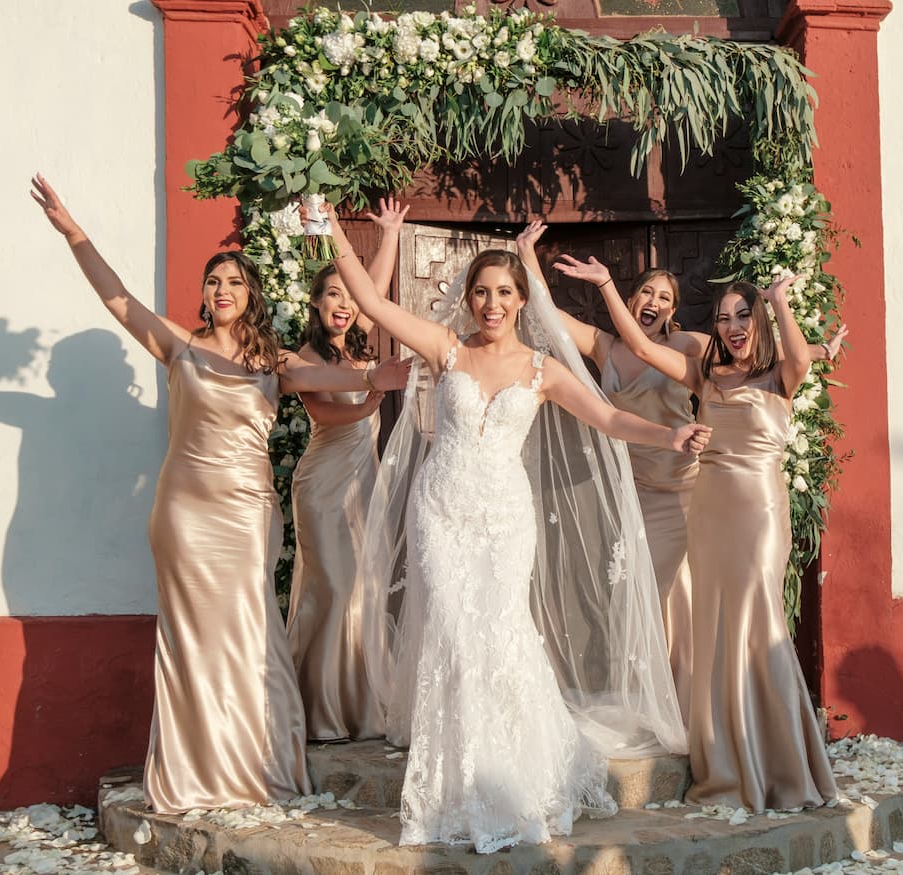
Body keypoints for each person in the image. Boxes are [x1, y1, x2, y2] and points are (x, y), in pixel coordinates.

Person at [324, 204, 709, 852]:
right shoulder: (446, 349)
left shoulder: (542, 369)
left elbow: (610, 420)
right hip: (441, 509)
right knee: (451, 632)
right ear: (469, 299)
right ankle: (455, 787)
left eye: (504, 291)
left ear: (522, 299)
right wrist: (325, 218)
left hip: (504, 517)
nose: (492, 302)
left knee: (499, 636)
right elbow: (368, 296)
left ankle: (513, 781)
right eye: (482, 291)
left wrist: (669, 433)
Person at [29, 175, 409, 813]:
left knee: (250, 632)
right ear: (205, 296)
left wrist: (378, 374)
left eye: (234, 281)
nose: (222, 289)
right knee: (192, 639)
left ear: (251, 294)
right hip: (184, 513)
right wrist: (74, 233)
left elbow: (336, 372)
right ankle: (194, 772)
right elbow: (119, 300)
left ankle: (256, 764)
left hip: (249, 514)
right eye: (214, 282)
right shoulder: (179, 348)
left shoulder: (275, 363)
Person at [518, 222, 845, 716]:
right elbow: (548, 317)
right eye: (646, 292)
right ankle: (654, 696)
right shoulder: (605, 347)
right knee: (639, 592)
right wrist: (525, 258)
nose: (655, 302)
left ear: (674, 311)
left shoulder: (691, 346)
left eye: (666, 298)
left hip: (686, 486)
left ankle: (690, 695)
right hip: (634, 489)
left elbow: (759, 358)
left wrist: (818, 351)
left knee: (679, 594)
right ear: (631, 300)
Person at [556, 252, 838, 812]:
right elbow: (638, 347)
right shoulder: (705, 373)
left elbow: (802, 354)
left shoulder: (782, 373)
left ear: (758, 323)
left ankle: (777, 760)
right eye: (724, 318)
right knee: (714, 627)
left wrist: (780, 302)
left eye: (743, 317)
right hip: (706, 511)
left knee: (759, 618)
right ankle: (726, 756)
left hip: (758, 514)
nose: (732, 328)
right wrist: (609, 284)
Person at [286, 196, 408, 742]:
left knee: (362, 590)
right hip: (322, 485)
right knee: (332, 588)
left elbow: (371, 291)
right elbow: (328, 413)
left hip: (363, 482)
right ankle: (317, 710)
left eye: (346, 295)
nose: (343, 303)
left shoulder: (358, 350)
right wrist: (371, 393)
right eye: (331, 294)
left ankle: (357, 707)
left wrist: (389, 235)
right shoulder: (307, 360)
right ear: (315, 304)